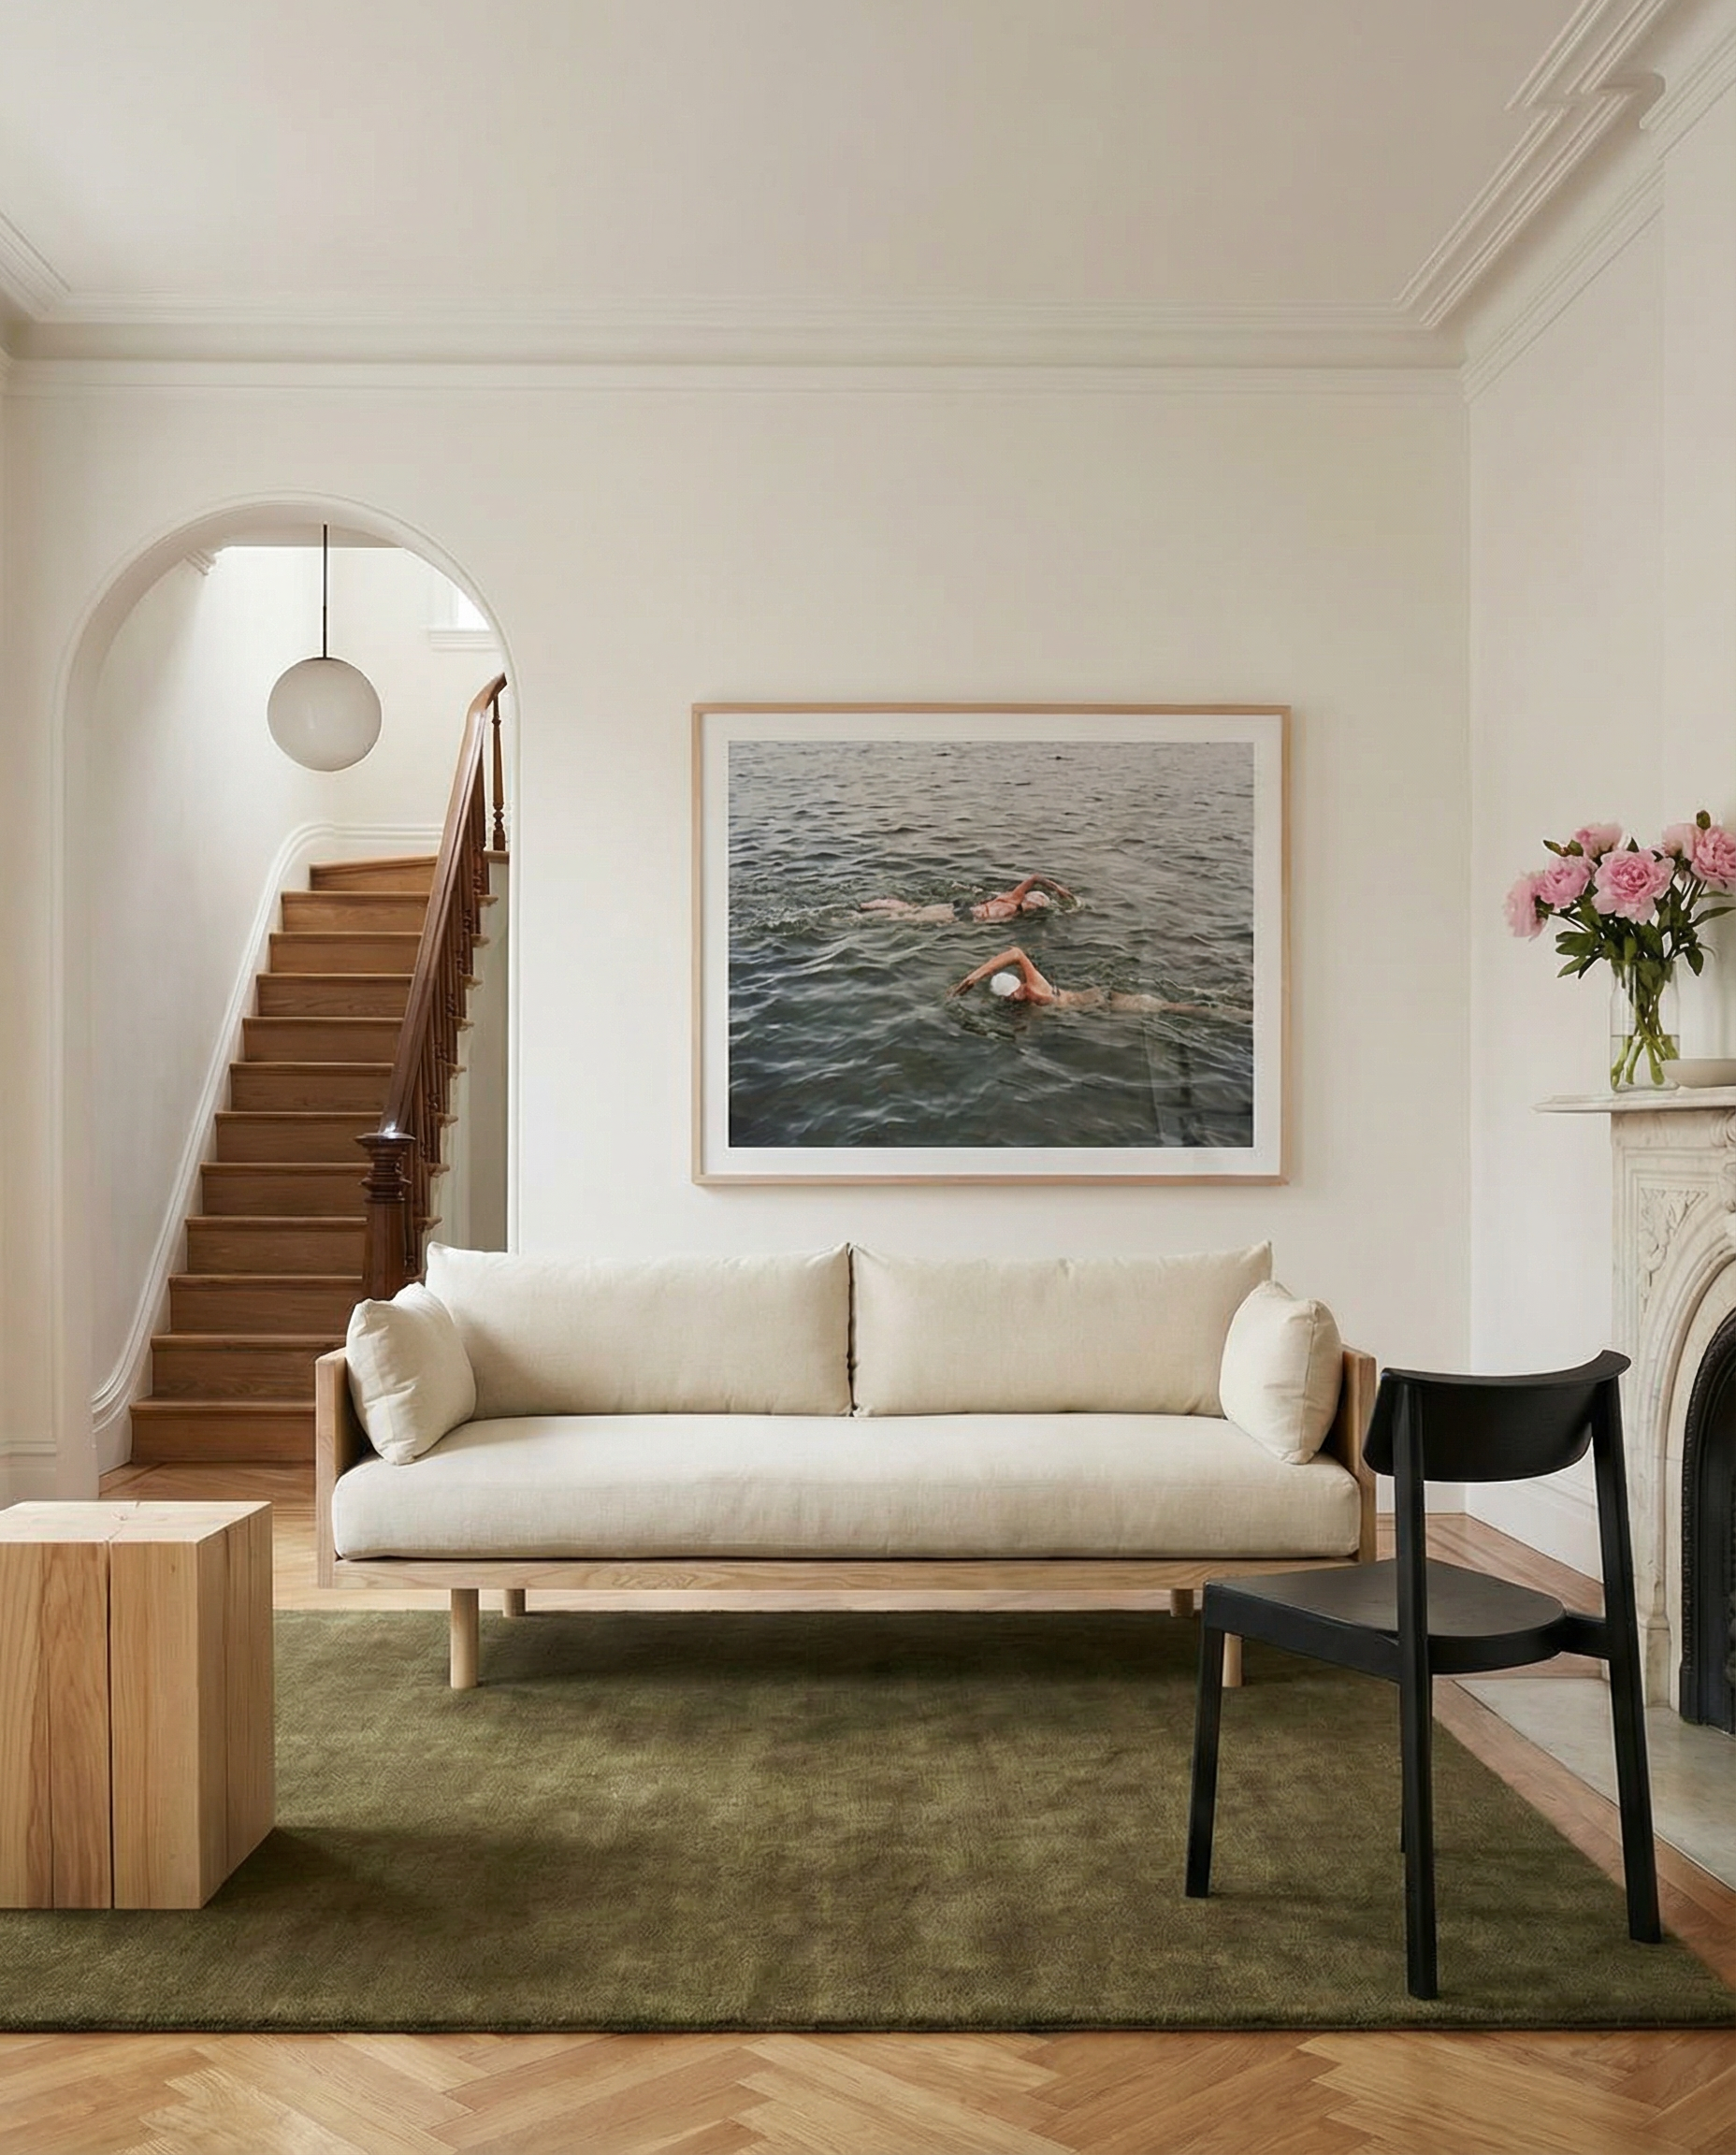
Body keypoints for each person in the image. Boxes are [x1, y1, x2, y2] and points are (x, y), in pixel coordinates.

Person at [949, 946, 1246, 1019]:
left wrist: (974, 976)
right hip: (1101, 1004)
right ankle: (1231, 1005)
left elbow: (1015, 953)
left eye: (1010, 997)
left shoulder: (1036, 987)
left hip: (1108, 1002)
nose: (1012, 1001)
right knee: (1174, 1004)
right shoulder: (1029, 997)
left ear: (1016, 989)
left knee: (1175, 1009)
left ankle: (1238, 1013)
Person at [860, 873, 1075, 925]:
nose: (1036, 907)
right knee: (911, 916)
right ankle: (861, 916)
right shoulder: (1014, 901)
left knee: (914, 910)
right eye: (1038, 904)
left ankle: (873, 906)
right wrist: (1058, 889)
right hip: (966, 913)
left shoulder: (1016, 908)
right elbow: (1035, 878)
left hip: (967, 911)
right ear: (1033, 901)